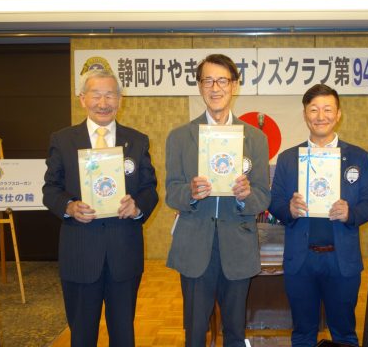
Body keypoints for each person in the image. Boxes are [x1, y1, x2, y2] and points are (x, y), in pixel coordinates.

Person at [43, 69, 158, 347]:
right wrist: (69, 206)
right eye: (96, 95)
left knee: (123, 335)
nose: (103, 103)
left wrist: (137, 206)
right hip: (80, 254)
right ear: (83, 99)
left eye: (110, 95)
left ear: (120, 99)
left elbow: (149, 189)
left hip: (124, 254)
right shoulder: (63, 140)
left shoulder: (137, 140)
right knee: (82, 337)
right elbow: (50, 189)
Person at [165, 54, 271, 347]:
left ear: (234, 85)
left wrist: (246, 197)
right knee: (195, 333)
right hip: (194, 246)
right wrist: (190, 192)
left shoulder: (255, 138)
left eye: (222, 80)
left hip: (237, 245)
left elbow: (263, 195)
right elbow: (171, 192)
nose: (215, 88)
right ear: (200, 86)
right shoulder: (180, 137)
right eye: (208, 81)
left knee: (235, 332)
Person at [269, 84, 368, 347]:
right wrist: (288, 209)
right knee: (302, 333)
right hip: (301, 260)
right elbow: (274, 202)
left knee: (344, 333)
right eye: (314, 110)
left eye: (328, 109)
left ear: (338, 114)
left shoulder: (358, 157)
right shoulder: (288, 158)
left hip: (342, 261)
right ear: (305, 114)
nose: (321, 116)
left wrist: (351, 213)